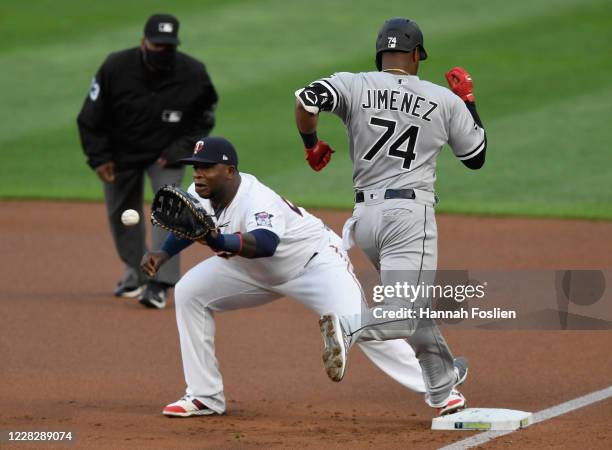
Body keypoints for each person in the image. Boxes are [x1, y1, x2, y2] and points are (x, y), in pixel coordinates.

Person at [140, 136, 427, 417]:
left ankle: (441, 386)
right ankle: (205, 396)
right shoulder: (200, 193)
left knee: (358, 325)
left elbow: (265, 243)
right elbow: (191, 224)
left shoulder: (256, 199)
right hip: (252, 271)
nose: (199, 175)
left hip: (315, 265)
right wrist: (163, 254)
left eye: (207, 168)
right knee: (190, 292)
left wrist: (218, 241)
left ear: (229, 171)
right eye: (196, 168)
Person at [294, 17, 484, 415]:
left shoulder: (353, 83)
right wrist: (467, 100)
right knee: (405, 311)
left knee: (411, 303)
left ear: (380, 53)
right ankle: (347, 328)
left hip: (365, 220)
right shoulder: (441, 98)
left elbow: (307, 101)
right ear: (417, 55)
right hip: (407, 217)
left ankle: (441, 385)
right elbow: (475, 157)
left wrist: (311, 144)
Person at [77, 14, 218, 309]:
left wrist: (180, 148)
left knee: (169, 208)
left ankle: (159, 282)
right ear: (143, 43)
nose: (162, 52)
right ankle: (137, 271)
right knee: (122, 214)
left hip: (167, 154)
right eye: (156, 45)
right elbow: (90, 117)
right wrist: (99, 158)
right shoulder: (116, 67)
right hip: (121, 154)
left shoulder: (193, 73)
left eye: (168, 47)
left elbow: (204, 118)